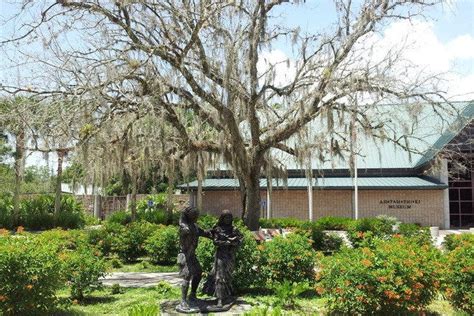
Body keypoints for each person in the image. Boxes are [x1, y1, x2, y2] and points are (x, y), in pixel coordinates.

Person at [203, 210, 243, 307]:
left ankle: (226, 295)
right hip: (221, 255)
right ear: (222, 218)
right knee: (219, 277)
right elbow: (215, 242)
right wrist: (227, 242)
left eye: (229, 217)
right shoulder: (218, 229)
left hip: (230, 256)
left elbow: (241, 239)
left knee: (228, 276)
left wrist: (235, 242)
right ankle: (219, 299)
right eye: (226, 217)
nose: (228, 219)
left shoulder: (234, 229)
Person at [177, 206, 211, 310]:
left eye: (197, 214)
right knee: (187, 276)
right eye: (194, 215)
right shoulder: (184, 227)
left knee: (198, 273)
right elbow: (184, 230)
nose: (197, 216)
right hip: (184, 255)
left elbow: (204, 233)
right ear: (189, 215)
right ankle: (183, 301)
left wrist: (214, 232)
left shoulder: (194, 226)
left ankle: (192, 295)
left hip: (192, 255)